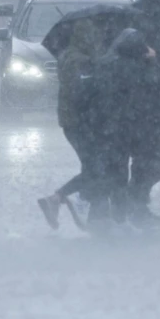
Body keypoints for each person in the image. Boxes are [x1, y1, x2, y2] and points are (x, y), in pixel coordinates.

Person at [93, 29, 160, 231]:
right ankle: (134, 203)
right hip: (143, 124)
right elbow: (159, 84)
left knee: (119, 167)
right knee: (157, 157)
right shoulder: (144, 64)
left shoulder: (108, 62)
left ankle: (121, 213)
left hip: (113, 126)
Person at [37, 20, 104, 230]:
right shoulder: (79, 61)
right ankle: (67, 199)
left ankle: (59, 201)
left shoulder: (69, 56)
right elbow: (82, 90)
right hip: (80, 122)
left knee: (92, 165)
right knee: (96, 168)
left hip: (72, 121)